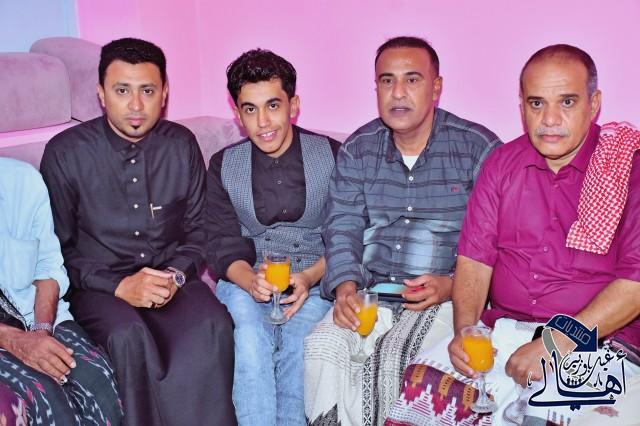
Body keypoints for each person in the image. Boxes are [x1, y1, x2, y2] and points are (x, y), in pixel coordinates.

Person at [412, 44, 640, 425]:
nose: (550, 119)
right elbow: (474, 261)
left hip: (598, 339)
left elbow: (636, 285)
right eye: (537, 104)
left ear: (594, 104)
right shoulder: (502, 163)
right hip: (505, 329)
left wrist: (558, 342)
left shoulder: (626, 167)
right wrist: (466, 331)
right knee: (425, 390)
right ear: (522, 106)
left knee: (544, 415)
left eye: (567, 102)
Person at [304, 36, 502, 425]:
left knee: (394, 359)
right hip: (371, 294)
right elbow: (342, 227)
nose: (397, 93)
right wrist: (345, 289)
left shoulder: (476, 148)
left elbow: (497, 242)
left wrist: (451, 285)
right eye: (386, 80)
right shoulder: (359, 149)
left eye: (412, 79)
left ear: (436, 87)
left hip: (443, 299)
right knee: (321, 347)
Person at [40, 38, 236, 425]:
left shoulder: (181, 144)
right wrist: (118, 287)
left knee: (212, 325)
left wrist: (175, 275)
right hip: (98, 286)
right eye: (122, 91)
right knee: (127, 336)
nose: (135, 105)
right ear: (101, 94)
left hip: (171, 276)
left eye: (147, 91)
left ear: (164, 93)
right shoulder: (65, 153)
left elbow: (200, 230)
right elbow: (57, 250)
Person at [206, 48, 339, 426]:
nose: (263, 122)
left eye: (273, 106)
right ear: (237, 113)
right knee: (249, 340)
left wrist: (309, 277)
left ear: (293, 105)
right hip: (246, 275)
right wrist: (249, 280)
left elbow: (348, 233)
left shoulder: (332, 155)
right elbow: (219, 240)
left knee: (299, 345)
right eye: (250, 109)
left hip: (315, 277)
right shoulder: (223, 164)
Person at [0, 157, 122, 425]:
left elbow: (49, 268)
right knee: (45, 398)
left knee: (97, 379)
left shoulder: (22, 180)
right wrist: (14, 340)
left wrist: (41, 332)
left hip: (35, 318)